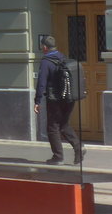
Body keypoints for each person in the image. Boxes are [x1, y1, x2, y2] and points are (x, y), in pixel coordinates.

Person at [34, 34, 85, 165]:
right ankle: (79, 147)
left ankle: (58, 157)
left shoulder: (46, 62)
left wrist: (37, 100)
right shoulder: (62, 57)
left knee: (52, 127)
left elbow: (41, 82)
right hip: (69, 97)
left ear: (45, 47)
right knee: (63, 124)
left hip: (55, 99)